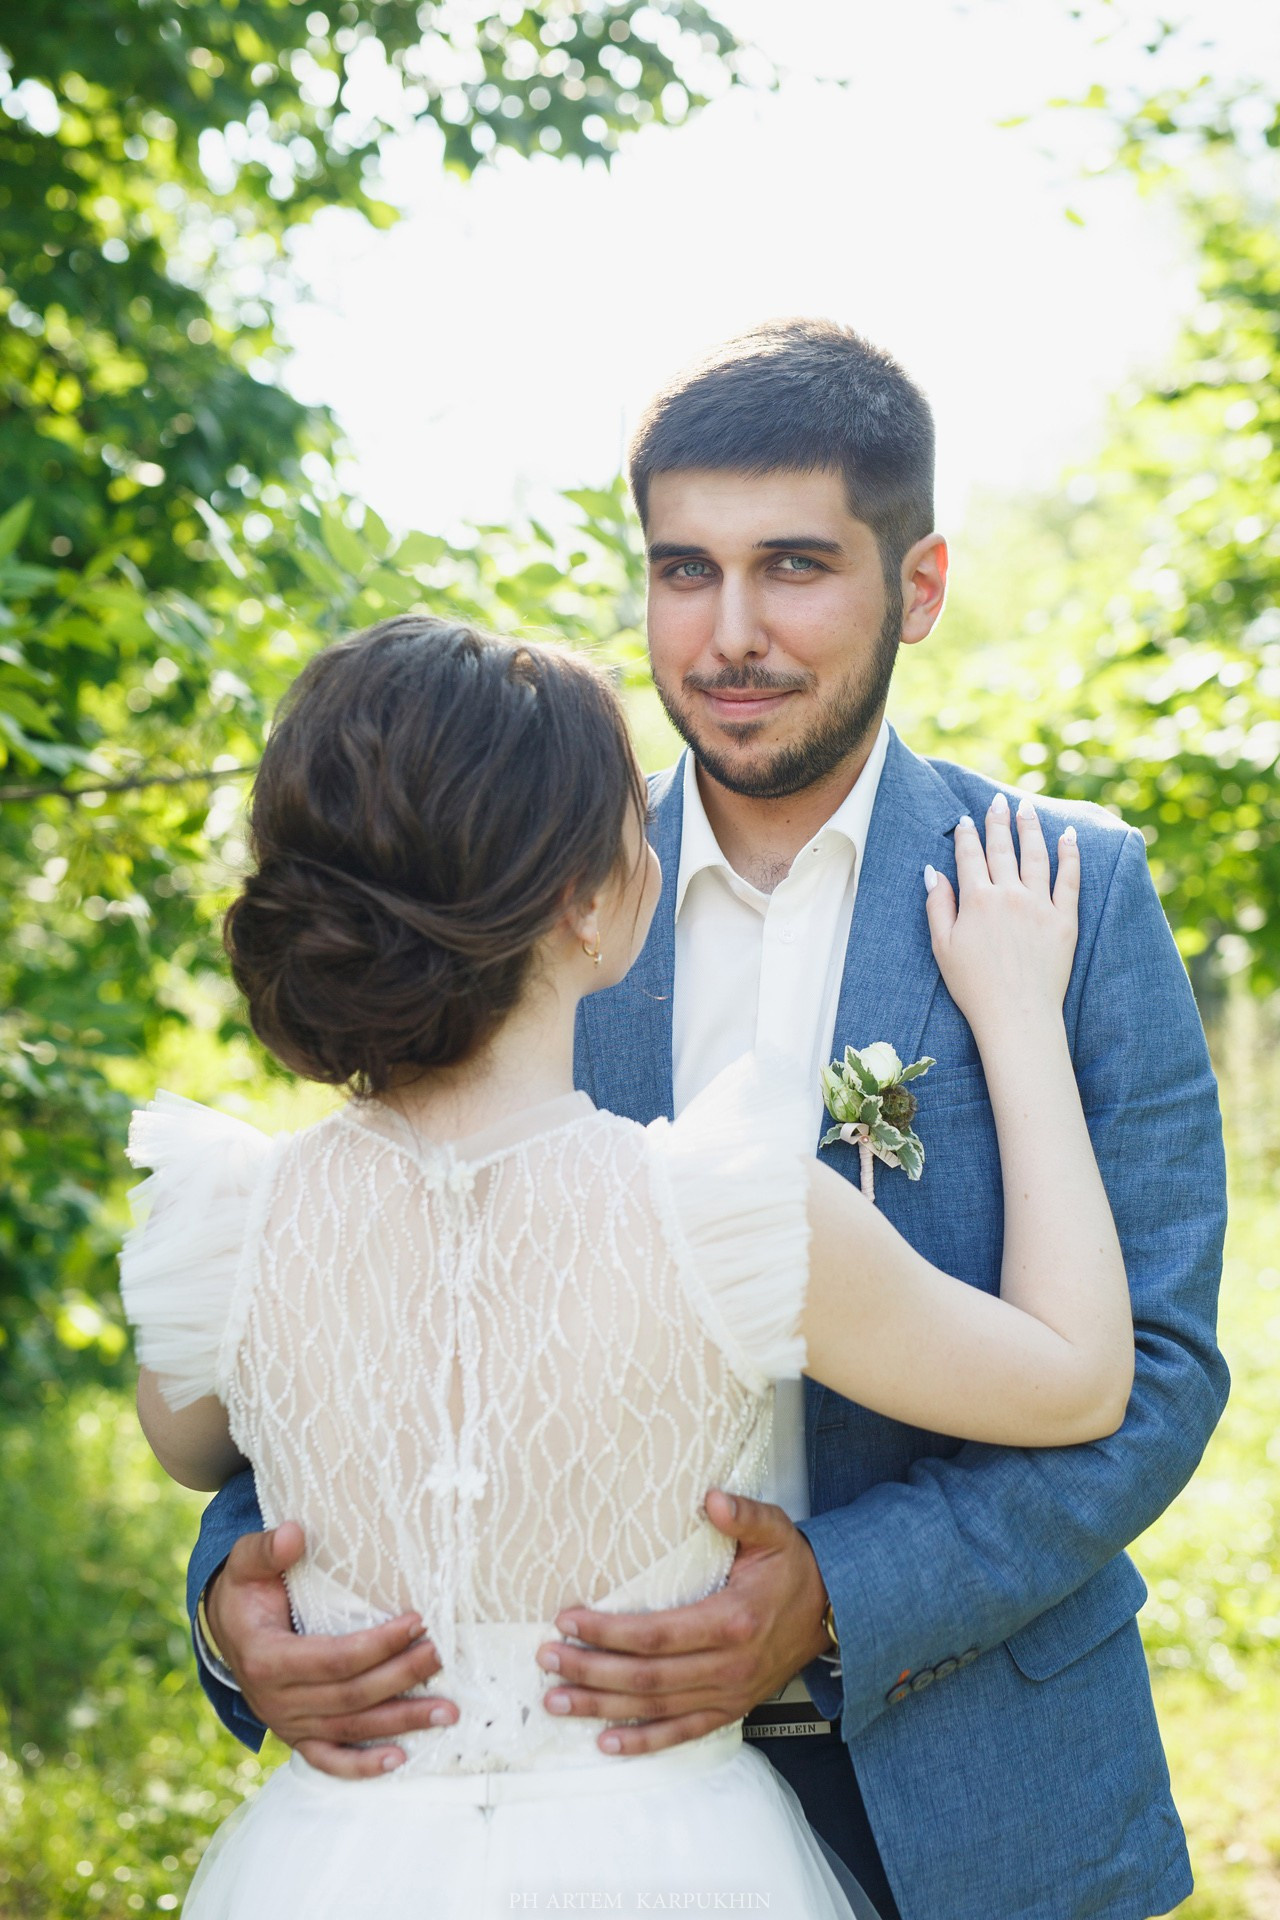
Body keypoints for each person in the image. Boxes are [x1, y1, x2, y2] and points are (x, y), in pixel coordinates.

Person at [179, 323, 1229, 1920]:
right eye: (685, 570)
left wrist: (836, 1600)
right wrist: (235, 1607)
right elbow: (385, 1291)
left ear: (920, 585)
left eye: (794, 566)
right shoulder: (515, 888)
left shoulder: (1066, 890)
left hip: (984, 1794)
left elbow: (1149, 1371)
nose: (730, 632)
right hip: (548, 1812)